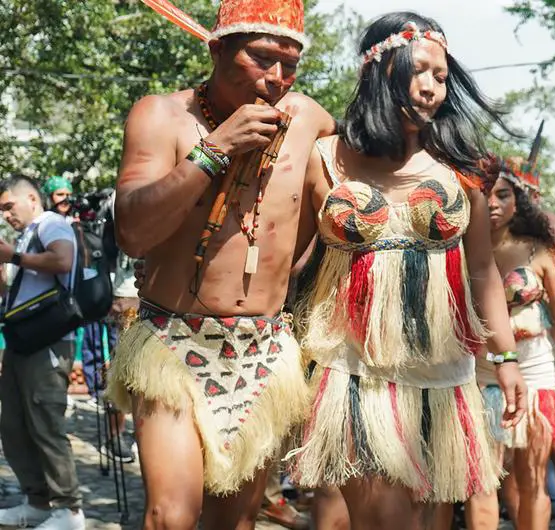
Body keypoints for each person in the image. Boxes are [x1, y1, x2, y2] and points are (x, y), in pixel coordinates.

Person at [288, 11, 526, 528]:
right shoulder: (324, 158)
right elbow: (290, 260)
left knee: (419, 518)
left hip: (442, 378)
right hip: (354, 373)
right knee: (384, 520)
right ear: (380, 69)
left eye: (441, 77)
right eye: (419, 71)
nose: (432, 89)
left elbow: (482, 273)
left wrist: (506, 358)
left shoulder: (460, 170)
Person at [109, 1, 336, 528]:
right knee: (171, 514)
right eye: (261, 59)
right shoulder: (161, 115)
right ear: (217, 49)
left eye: (291, 64)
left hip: (264, 350)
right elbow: (133, 233)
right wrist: (216, 148)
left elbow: (345, 198)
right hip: (171, 345)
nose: (278, 78)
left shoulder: (309, 119)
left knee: (235, 521)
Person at [469, 158, 555, 530]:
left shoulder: (539, 251)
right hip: (478, 368)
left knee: (532, 479)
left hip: (537, 367)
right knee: (482, 481)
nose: (493, 203)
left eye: (503, 195)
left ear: (518, 202)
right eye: (485, 195)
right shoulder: (457, 249)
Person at [0, 175, 85, 529]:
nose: (5, 215)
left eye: (8, 206)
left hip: (48, 342)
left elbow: (63, 261)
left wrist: (14, 256)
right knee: (14, 425)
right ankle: (36, 501)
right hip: (23, 340)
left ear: (32, 199)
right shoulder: (26, 236)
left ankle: (68, 510)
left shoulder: (51, 224)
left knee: (45, 423)